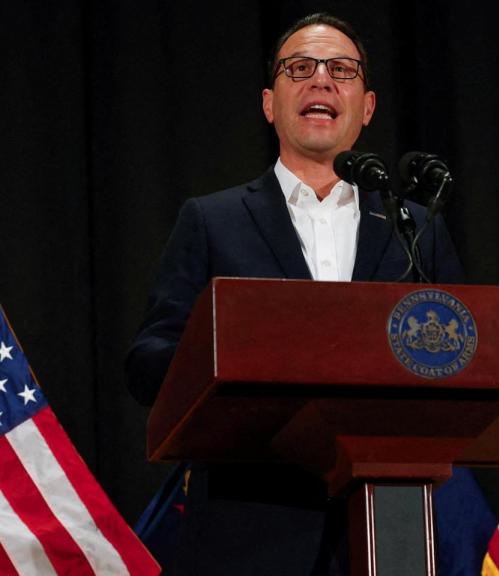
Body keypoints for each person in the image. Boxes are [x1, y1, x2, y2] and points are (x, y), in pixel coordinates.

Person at [125, 12, 463, 575]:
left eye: (342, 69)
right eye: (300, 68)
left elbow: (465, 359)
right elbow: (147, 359)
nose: (321, 80)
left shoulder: (416, 228)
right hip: (250, 526)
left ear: (368, 106)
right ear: (269, 103)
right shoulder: (213, 221)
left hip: (393, 525)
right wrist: (225, 362)